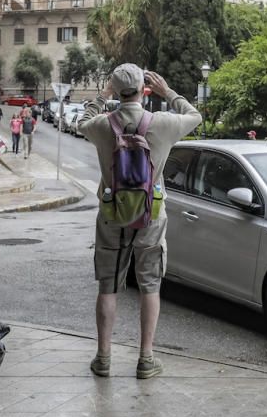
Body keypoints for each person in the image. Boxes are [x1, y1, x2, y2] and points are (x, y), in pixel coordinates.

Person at [77, 64, 201, 380]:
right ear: (145, 90)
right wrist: (167, 92)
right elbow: (195, 115)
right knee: (150, 285)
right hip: (151, 214)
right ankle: (146, 359)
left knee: (108, 285)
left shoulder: (103, 125)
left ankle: (103, 358)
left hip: (111, 214)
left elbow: (80, 121)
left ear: (117, 91)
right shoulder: (162, 124)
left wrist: (103, 96)